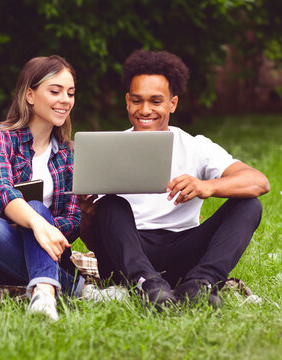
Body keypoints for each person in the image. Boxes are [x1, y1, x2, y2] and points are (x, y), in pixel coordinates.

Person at [79, 50, 270, 308]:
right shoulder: (107, 149)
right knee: (111, 204)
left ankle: (201, 284)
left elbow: (259, 182)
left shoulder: (195, 146)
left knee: (249, 204)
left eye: (156, 101)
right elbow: (98, 241)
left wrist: (207, 186)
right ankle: (147, 286)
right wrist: (88, 218)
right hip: (128, 257)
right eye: (137, 101)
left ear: (173, 103)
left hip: (183, 249)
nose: (145, 110)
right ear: (127, 101)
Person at [0, 55, 84, 321]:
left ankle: (43, 293)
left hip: (39, 252)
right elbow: (0, 191)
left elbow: (74, 218)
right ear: (30, 95)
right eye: (55, 91)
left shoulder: (69, 153)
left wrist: (33, 230)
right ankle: (75, 288)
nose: (65, 99)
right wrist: (35, 223)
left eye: (70, 93)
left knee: (35, 210)